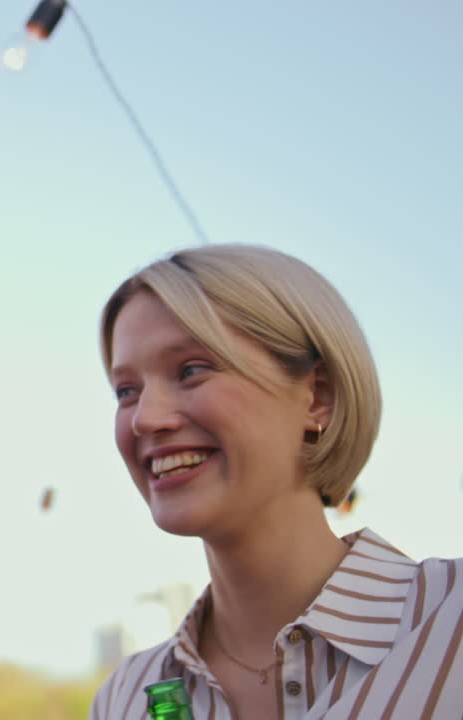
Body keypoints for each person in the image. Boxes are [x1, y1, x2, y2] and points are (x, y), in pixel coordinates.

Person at [90, 244, 463, 718]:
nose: (145, 418)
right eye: (127, 391)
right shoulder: (124, 698)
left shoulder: (450, 622)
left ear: (317, 396)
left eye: (191, 370)